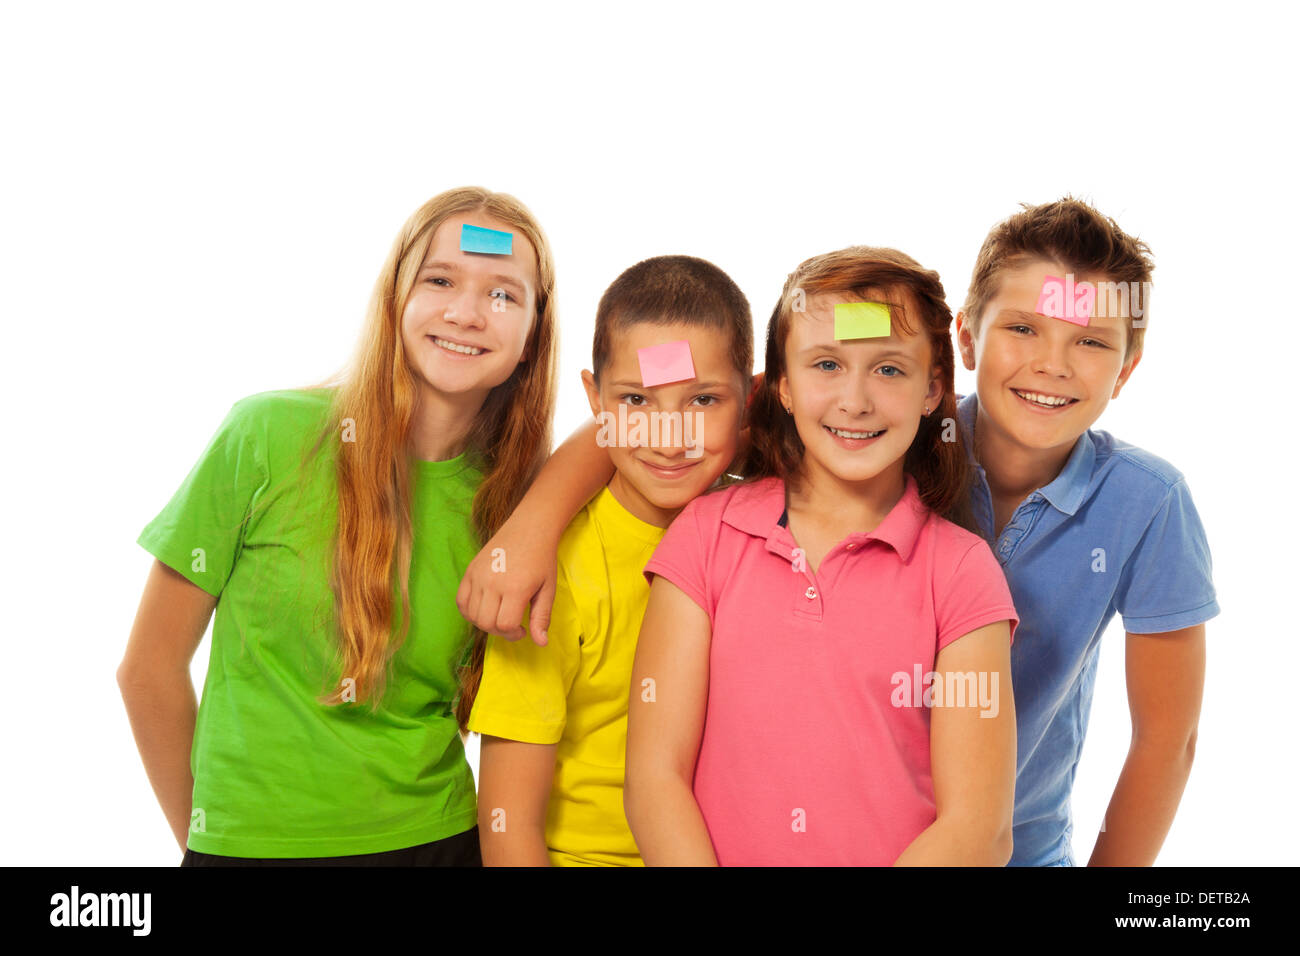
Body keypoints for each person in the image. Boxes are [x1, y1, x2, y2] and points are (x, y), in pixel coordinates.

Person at [117, 186, 558, 864]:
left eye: (504, 295)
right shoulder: (265, 436)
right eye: (439, 279)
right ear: (396, 300)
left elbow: (647, 439)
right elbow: (148, 669)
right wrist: (212, 842)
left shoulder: (516, 502)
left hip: (438, 843)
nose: (467, 313)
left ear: (532, 338)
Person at [626, 247, 1017, 865]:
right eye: (827, 364)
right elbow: (655, 778)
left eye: (888, 370)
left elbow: (979, 828)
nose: (855, 401)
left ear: (931, 389)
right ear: (781, 385)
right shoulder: (706, 536)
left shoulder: (964, 574)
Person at [953, 198, 1217, 866]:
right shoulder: (889, 448)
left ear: (1125, 370)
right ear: (964, 338)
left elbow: (1167, 740)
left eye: (1091, 341)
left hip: (1022, 852)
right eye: (1023, 328)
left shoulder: (1148, 502)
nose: (1054, 364)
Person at [467, 255, 752, 865]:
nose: (670, 437)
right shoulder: (553, 573)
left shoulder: (763, 524)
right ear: (595, 401)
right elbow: (506, 825)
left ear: (750, 401)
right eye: (636, 402)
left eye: (703, 400)